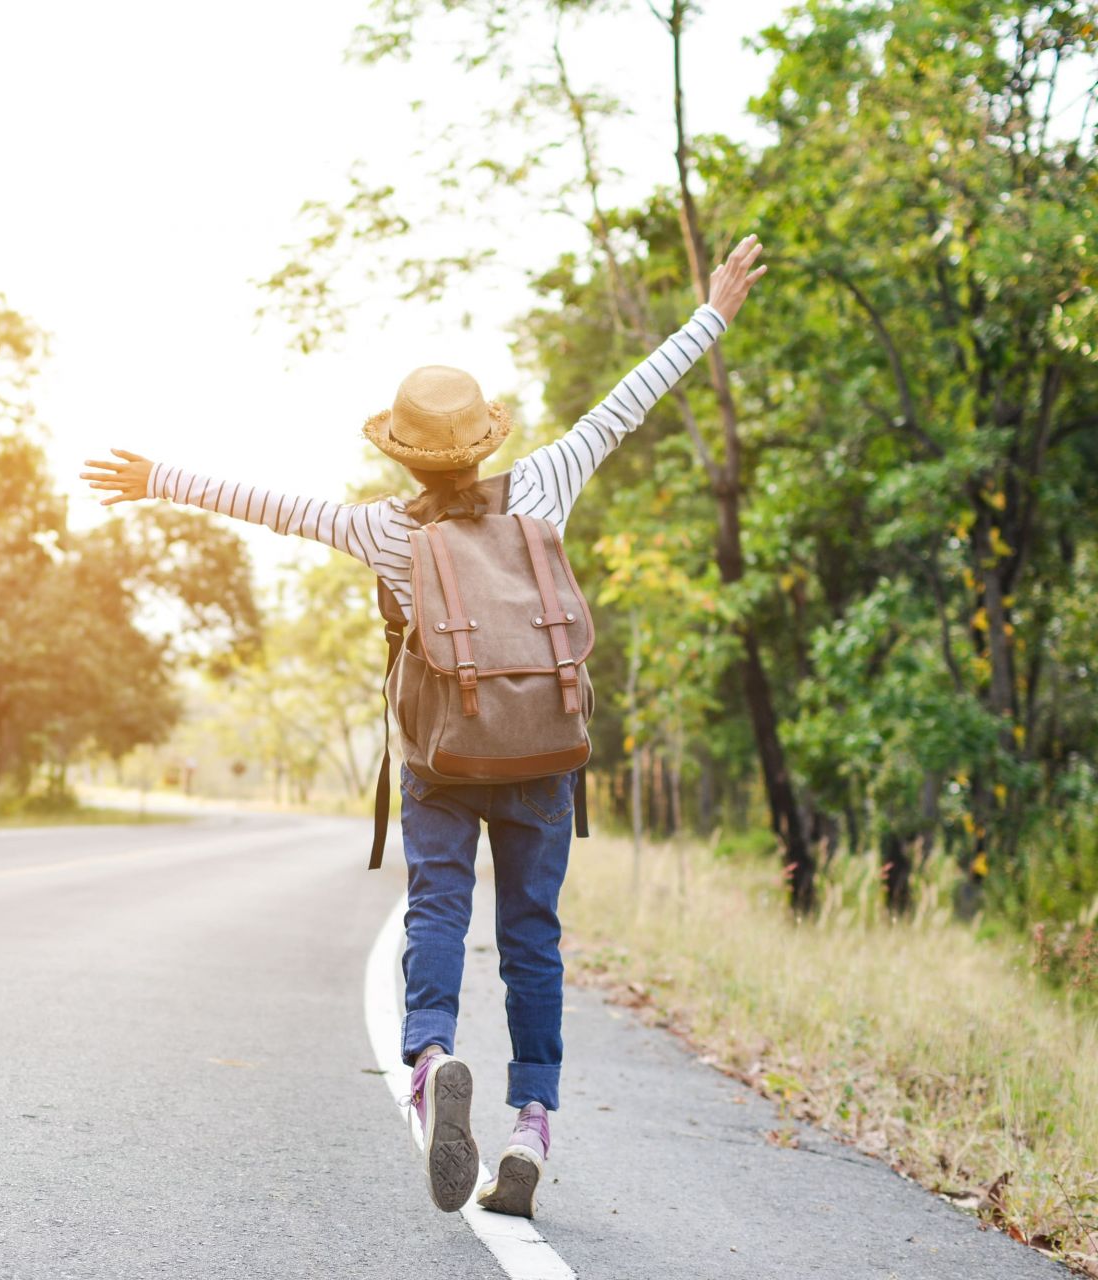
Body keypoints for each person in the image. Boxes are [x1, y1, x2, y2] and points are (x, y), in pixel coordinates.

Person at [81, 234, 768, 1218]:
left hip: (444, 754)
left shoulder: (383, 529)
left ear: (401, 448)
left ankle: (433, 1056)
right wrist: (710, 315)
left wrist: (158, 476)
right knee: (533, 936)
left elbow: (274, 505)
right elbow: (628, 401)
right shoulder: (544, 485)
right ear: (485, 438)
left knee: (438, 909)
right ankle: (532, 1121)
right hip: (540, 750)